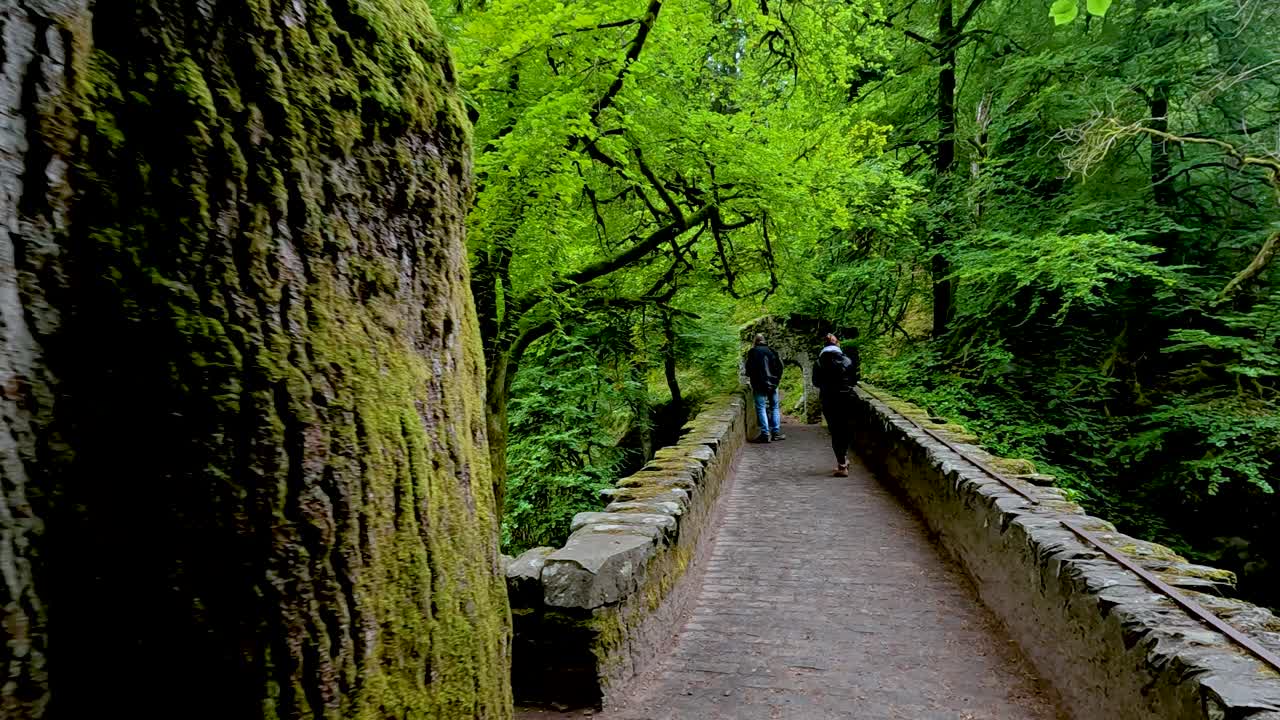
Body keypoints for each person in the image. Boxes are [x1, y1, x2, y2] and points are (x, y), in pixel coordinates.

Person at [813, 332, 860, 477]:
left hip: (829, 399)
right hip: (847, 399)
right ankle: (844, 458)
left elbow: (815, 382)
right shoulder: (847, 361)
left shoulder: (819, 362)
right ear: (837, 344)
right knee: (845, 428)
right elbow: (854, 381)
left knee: (835, 430)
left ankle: (842, 463)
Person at [744, 333, 785, 442]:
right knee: (775, 407)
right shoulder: (772, 351)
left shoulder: (753, 352)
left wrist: (753, 377)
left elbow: (748, 369)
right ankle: (776, 432)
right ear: (764, 341)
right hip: (773, 384)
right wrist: (776, 380)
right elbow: (780, 367)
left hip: (759, 384)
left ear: (755, 342)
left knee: (761, 407)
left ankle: (765, 433)